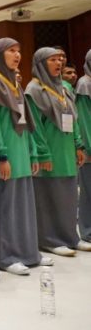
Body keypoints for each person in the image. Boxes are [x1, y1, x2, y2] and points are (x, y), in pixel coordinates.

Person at [0, 38, 53, 275]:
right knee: (5, 207)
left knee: (23, 207)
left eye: (19, 51)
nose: (17, 55)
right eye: (11, 51)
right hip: (7, 155)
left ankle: (28, 252)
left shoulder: (14, 84)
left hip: (22, 152)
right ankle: (6, 256)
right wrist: (1, 156)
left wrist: (32, 153)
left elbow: (26, 121)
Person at [26, 47, 91, 254]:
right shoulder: (34, 89)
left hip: (67, 149)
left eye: (59, 59)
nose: (58, 63)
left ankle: (70, 237)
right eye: (52, 60)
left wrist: (78, 145)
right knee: (49, 197)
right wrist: (42, 152)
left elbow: (74, 119)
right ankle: (50, 240)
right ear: (40, 63)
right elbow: (34, 125)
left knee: (68, 196)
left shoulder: (63, 87)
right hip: (50, 151)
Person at [76, 50, 91, 243]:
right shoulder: (84, 84)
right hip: (89, 150)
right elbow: (84, 121)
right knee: (88, 192)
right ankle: (88, 231)